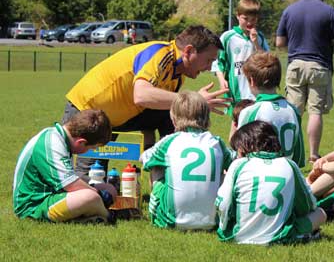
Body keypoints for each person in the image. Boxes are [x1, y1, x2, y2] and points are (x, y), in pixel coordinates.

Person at [63, 25, 230, 180]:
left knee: (172, 112)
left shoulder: (178, 74)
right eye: (208, 60)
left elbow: (159, 104)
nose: (209, 68)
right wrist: (194, 99)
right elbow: (142, 95)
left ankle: (165, 171)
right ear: (188, 51)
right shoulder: (161, 54)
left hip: (116, 116)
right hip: (87, 112)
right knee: (90, 175)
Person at [216, 121, 326, 245]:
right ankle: (302, 234)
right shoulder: (289, 165)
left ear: (243, 148)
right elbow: (308, 205)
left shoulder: (238, 165)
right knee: (320, 214)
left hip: (239, 236)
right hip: (279, 237)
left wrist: (224, 230)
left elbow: (223, 204)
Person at [276, 0, 334, 163]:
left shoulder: (289, 10)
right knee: (315, 112)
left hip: (295, 65)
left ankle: (289, 152)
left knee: (293, 112)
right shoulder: (330, 11)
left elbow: (279, 42)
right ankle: (314, 154)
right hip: (319, 66)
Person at [141, 91, 233, 230]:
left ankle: (159, 208)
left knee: (156, 165)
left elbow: (144, 159)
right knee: (225, 172)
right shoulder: (216, 142)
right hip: (213, 222)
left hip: (170, 221)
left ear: (173, 118)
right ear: (207, 117)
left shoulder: (168, 142)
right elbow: (235, 161)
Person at [12, 110, 116, 223]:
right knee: (91, 197)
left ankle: (89, 216)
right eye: (91, 148)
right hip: (34, 205)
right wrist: (98, 194)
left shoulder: (59, 137)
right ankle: (111, 216)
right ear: (80, 142)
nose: (88, 151)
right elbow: (70, 185)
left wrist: (99, 192)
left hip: (54, 194)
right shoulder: (53, 143)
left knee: (109, 189)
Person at [237, 52, 305, 167]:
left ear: (252, 81)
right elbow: (298, 156)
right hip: (286, 174)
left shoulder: (249, 112)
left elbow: (241, 155)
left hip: (258, 176)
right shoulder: (292, 110)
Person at [216, 0, 270, 116]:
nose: (250, 23)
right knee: (236, 125)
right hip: (236, 91)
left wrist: (256, 43)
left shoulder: (260, 37)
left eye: (253, 19)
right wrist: (221, 79)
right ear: (238, 16)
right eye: (246, 19)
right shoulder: (228, 37)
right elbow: (218, 62)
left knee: (254, 124)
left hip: (256, 91)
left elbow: (266, 60)